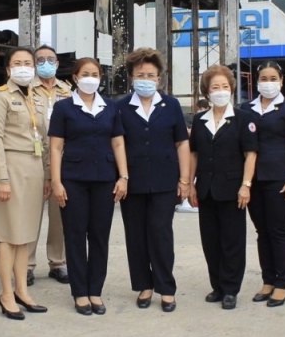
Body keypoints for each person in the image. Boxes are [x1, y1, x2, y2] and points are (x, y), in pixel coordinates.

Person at [48, 58, 128, 315]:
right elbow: (56, 147)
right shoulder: (63, 108)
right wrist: (56, 182)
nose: (90, 78)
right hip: (73, 180)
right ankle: (80, 292)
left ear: (100, 78)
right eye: (85, 74)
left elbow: (118, 143)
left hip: (104, 180)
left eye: (95, 74)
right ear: (75, 77)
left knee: (99, 236)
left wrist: (123, 176)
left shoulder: (111, 107)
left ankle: (95, 290)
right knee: (75, 236)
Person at [117, 48, 190, 312]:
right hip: (132, 181)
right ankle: (144, 285)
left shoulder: (171, 105)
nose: (145, 79)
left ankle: (166, 287)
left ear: (159, 78)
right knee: (135, 235)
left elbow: (182, 142)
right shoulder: (121, 107)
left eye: (150, 75)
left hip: (164, 181)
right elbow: (117, 143)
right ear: (132, 77)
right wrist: (122, 176)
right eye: (140, 75)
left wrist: (185, 179)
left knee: (161, 233)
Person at [0, 48, 51, 319]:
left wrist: (47, 175)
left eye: (28, 63)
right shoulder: (0, 96)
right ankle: (6, 293)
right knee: (9, 234)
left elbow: (44, 139)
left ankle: (22, 290)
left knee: (25, 235)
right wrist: (2, 178)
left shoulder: (36, 96)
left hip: (33, 167)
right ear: (8, 69)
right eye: (18, 63)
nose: (24, 67)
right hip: (10, 166)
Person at [189, 65, 258, 310]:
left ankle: (230, 289)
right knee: (211, 241)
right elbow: (194, 154)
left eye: (225, 86)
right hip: (206, 189)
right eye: (215, 87)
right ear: (207, 92)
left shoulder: (243, 119)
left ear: (231, 89)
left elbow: (250, 154)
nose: (220, 91)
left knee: (232, 241)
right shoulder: (200, 121)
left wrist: (246, 185)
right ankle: (217, 286)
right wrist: (190, 183)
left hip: (232, 190)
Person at [240, 61, 285, 308]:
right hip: (253, 179)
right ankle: (268, 281)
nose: (268, 83)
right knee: (262, 232)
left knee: (278, 232)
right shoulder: (247, 108)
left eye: (273, 78)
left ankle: (282, 284)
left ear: (281, 81)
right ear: (257, 82)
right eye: (264, 79)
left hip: (279, 178)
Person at [28, 44, 71, 286]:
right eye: (40, 59)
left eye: (50, 59)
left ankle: (58, 262)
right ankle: (26, 264)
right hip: (32, 161)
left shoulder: (68, 92)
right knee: (30, 215)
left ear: (57, 63)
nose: (46, 63)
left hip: (61, 163)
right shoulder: (25, 89)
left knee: (60, 216)